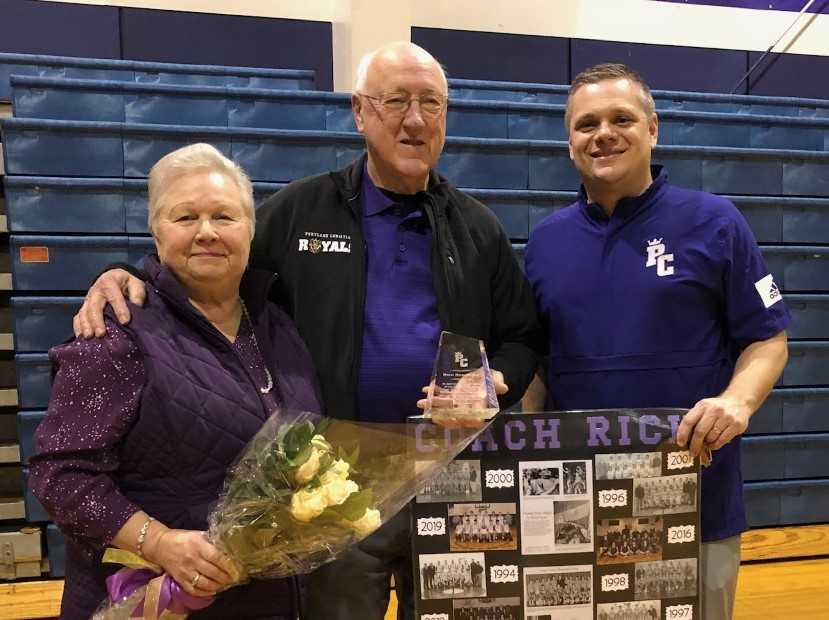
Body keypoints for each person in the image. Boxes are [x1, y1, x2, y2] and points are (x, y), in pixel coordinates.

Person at [72, 42, 540, 619]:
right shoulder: (300, 213)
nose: (415, 120)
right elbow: (210, 259)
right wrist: (121, 274)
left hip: (451, 479)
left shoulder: (478, 228)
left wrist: (496, 380)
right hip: (335, 490)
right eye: (396, 101)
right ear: (360, 111)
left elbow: (522, 337)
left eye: (431, 104)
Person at [523, 63, 790, 620]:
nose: (603, 134)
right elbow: (537, 368)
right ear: (569, 141)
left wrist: (737, 402)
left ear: (653, 129)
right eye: (586, 124)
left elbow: (767, 340)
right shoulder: (545, 243)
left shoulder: (716, 222)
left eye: (621, 119)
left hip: (694, 498)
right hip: (574, 505)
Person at [30, 144, 321, 620]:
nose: (206, 232)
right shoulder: (118, 332)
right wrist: (160, 542)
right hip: (155, 602)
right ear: (156, 232)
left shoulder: (280, 328)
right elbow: (59, 475)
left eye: (224, 216)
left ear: (250, 230)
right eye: (185, 217)